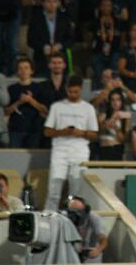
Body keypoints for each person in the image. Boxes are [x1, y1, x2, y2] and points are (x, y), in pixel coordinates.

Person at [43, 76, 98, 210]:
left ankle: (74, 219)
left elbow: (94, 134)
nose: (73, 94)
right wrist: (62, 132)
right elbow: (47, 132)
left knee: (76, 191)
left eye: (76, 92)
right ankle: (49, 218)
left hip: (79, 152)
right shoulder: (57, 106)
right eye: (70, 92)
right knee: (54, 189)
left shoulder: (88, 108)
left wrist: (81, 133)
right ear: (66, 90)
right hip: (60, 151)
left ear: (80, 90)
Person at [27, 0, 75, 74]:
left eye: (54, 1)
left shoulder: (65, 18)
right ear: (43, 3)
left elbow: (71, 39)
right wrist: (43, 47)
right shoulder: (36, 19)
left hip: (60, 56)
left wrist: (60, 45)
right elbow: (30, 40)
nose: (51, 4)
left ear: (58, 3)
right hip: (42, 56)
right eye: (48, 1)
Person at [65, 196, 108, 263]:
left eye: (78, 212)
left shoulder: (94, 218)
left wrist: (98, 250)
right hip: (72, 252)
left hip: (90, 253)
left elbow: (103, 239)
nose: (75, 215)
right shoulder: (64, 219)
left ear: (86, 211)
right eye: (72, 212)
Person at [97, 88, 131, 161]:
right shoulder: (103, 115)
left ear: (122, 101)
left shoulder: (125, 117)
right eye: (113, 100)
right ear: (109, 101)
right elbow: (98, 131)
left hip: (117, 149)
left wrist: (116, 128)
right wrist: (106, 124)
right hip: (104, 149)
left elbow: (123, 140)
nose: (115, 102)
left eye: (118, 99)